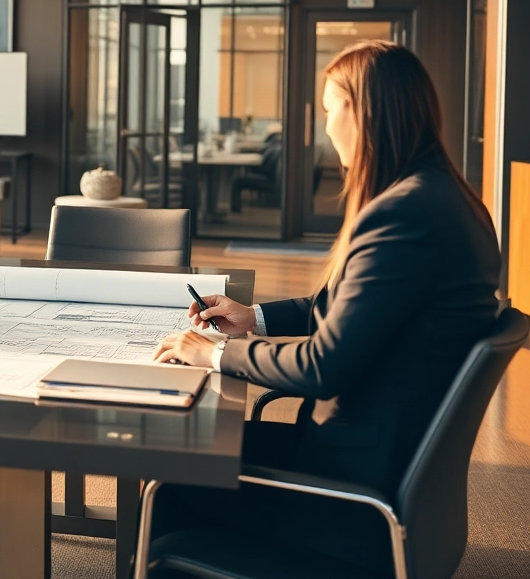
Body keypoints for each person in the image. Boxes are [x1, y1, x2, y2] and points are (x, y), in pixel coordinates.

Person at [152, 40, 500, 572]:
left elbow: (323, 365)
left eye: (330, 109)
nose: (325, 125)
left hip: (347, 493)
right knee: (195, 446)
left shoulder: (403, 216)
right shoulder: (445, 201)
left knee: (172, 469)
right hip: (384, 458)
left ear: (364, 113)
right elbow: (346, 308)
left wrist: (215, 354)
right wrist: (255, 318)